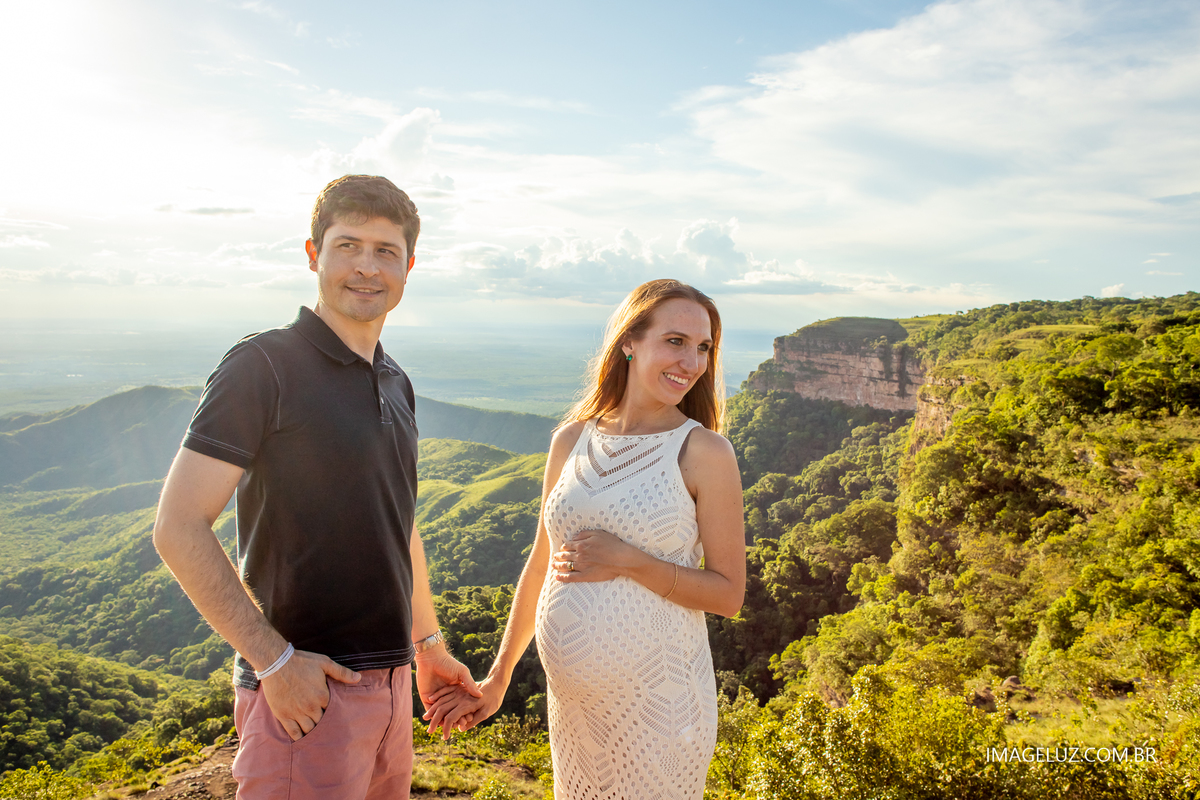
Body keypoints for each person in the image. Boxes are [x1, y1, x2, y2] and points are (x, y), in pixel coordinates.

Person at [153, 174, 480, 799]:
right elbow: (177, 527)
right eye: (347, 245)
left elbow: (399, 525)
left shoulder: (395, 380)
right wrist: (273, 662)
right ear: (313, 255)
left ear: (409, 266)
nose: (367, 267)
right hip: (308, 697)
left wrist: (427, 647)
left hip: (392, 692)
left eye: (385, 251)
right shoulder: (264, 365)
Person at [427, 279, 746, 799]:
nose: (691, 362)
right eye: (675, 341)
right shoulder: (571, 439)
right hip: (573, 710)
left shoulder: (704, 451)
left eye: (704, 347)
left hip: (660, 711)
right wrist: (498, 679)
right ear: (629, 341)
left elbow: (728, 595)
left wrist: (629, 560)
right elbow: (541, 565)